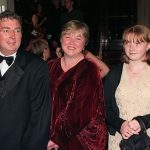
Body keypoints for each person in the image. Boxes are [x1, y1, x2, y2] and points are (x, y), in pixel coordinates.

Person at [47, 20, 107, 150]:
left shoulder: (89, 69)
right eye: (67, 36)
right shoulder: (50, 66)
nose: (71, 42)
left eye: (78, 38)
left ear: (85, 43)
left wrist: (55, 138)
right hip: (53, 136)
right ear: (61, 39)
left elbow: (79, 112)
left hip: (83, 139)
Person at [0, 10, 51, 150]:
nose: (13, 36)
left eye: (17, 30)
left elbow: (40, 118)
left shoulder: (36, 66)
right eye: (6, 30)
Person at [104, 24, 150, 150]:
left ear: (148, 45)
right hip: (120, 140)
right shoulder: (114, 74)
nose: (132, 47)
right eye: (128, 42)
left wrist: (143, 121)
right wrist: (120, 125)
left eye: (138, 43)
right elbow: (105, 107)